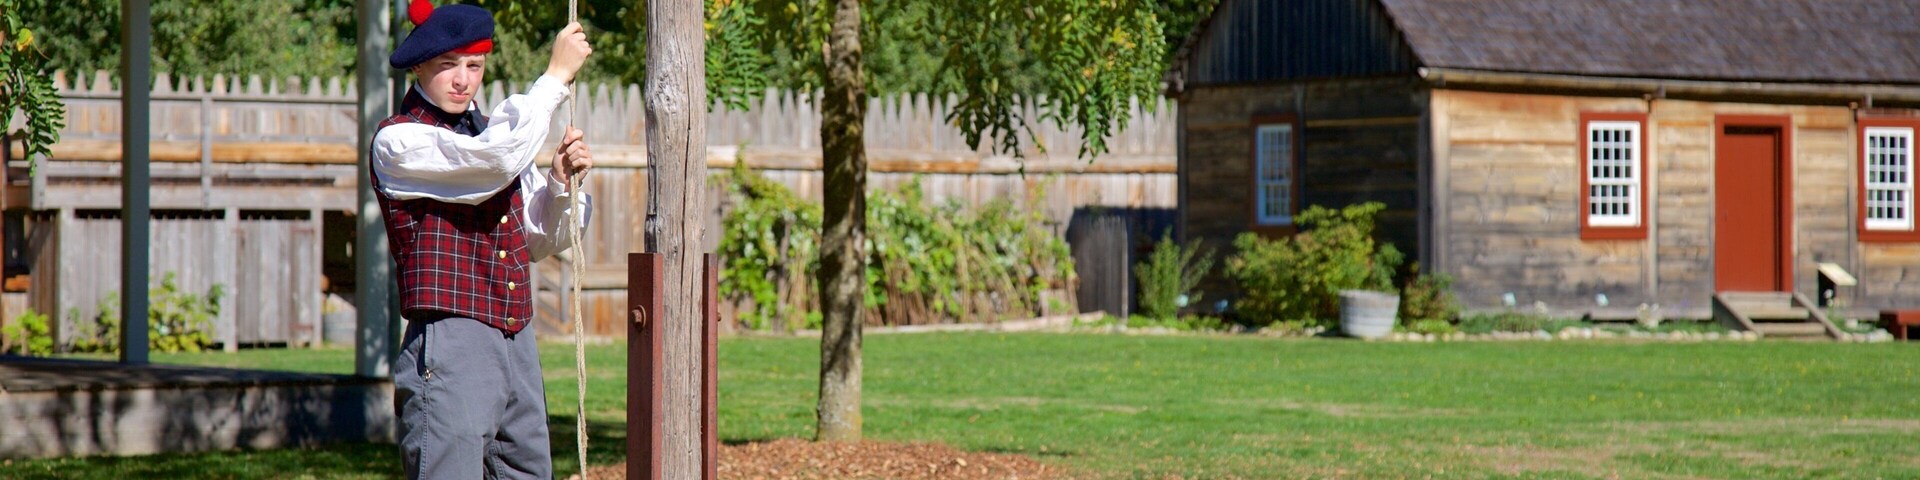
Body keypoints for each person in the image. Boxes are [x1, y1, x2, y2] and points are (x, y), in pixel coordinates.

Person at [373, 0, 594, 478]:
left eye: (474, 65)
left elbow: (538, 240)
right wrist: (554, 77)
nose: (462, 79)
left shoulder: (493, 136)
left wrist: (557, 184)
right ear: (418, 67)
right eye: (447, 65)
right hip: (452, 343)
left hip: (517, 341)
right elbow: (493, 164)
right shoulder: (399, 141)